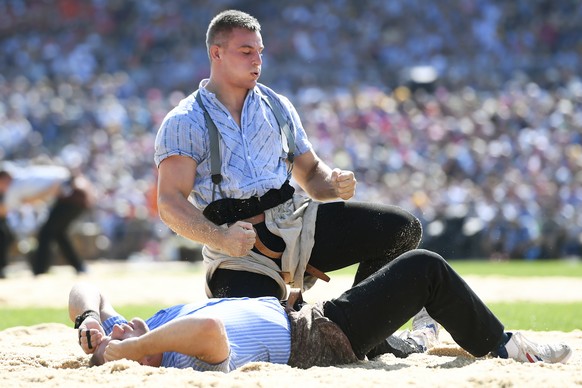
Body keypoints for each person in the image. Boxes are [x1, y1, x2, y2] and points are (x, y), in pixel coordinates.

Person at [155, 9, 422, 300]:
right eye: (246, 51)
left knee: (402, 229)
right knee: (259, 331)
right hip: (237, 247)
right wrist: (221, 239)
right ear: (216, 53)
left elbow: (309, 174)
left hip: (296, 222)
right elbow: (169, 202)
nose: (257, 60)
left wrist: (334, 183)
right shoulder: (184, 120)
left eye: (260, 51)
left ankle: (360, 325)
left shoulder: (277, 106)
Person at [70, 250, 572, 371]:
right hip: (318, 338)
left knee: (396, 248)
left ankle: (414, 339)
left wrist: (91, 322)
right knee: (424, 268)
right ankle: (507, 349)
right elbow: (211, 330)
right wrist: (130, 348)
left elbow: (84, 288)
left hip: (305, 312)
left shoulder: (141, 335)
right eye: (126, 341)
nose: (126, 325)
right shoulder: (169, 356)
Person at [0, 162, 93, 276]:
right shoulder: (25, 176)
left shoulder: (14, 187)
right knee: (59, 233)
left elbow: (3, 211)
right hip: (78, 191)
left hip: (71, 194)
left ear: (4, 179)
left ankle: (40, 270)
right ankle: (79, 267)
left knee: (46, 233)